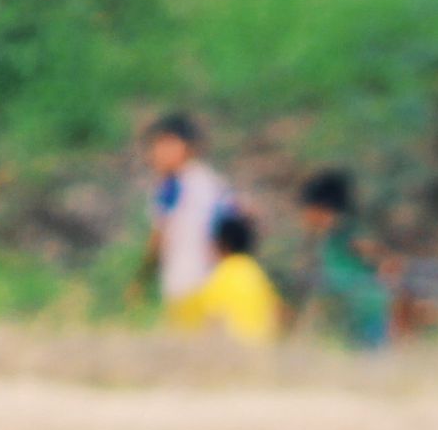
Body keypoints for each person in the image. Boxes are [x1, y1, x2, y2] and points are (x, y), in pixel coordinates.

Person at [139, 112, 241, 314]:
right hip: (200, 279)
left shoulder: (177, 185)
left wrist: (142, 278)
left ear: (189, 147)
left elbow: (159, 235)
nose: (159, 153)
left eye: (168, 145)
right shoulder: (210, 182)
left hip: (192, 279)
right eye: (156, 146)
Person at [300, 169, 396, 352]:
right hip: (349, 312)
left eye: (309, 209)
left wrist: (386, 269)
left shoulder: (345, 233)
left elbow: (381, 255)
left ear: (322, 208)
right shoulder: (330, 238)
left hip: (367, 309)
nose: (306, 216)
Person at [168, 211, 286, 345]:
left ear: (223, 245)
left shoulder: (222, 274)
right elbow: (278, 311)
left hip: (235, 350)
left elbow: (204, 317)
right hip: (262, 349)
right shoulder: (256, 273)